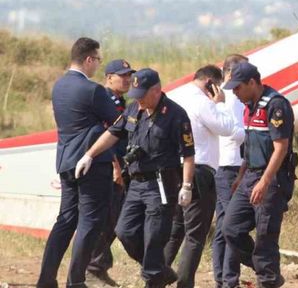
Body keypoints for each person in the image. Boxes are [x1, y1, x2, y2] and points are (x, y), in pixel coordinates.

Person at [75, 68, 196, 288]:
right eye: (135, 95)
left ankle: (153, 277)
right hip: (136, 183)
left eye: (142, 95)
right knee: (125, 231)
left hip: (161, 185)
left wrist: (186, 186)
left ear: (157, 90)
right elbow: (113, 132)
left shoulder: (176, 115)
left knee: (154, 238)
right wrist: (89, 155)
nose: (138, 100)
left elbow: (188, 155)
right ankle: (158, 269)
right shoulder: (133, 109)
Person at [37, 38, 118, 288]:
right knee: (90, 222)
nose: (97, 66)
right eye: (98, 60)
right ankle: (76, 280)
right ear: (89, 59)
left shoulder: (59, 86)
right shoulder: (93, 90)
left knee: (65, 220)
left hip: (66, 161)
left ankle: (46, 278)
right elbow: (118, 122)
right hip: (91, 163)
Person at [163, 65, 245, 288]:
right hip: (199, 171)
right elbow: (227, 128)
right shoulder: (204, 102)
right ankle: (184, 283)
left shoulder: (177, 96)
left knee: (175, 229)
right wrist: (220, 104)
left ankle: (154, 278)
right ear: (211, 82)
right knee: (194, 235)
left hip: (175, 169)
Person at [221, 62, 296, 288]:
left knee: (265, 237)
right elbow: (251, 146)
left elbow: (280, 148)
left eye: (237, 88)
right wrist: (240, 177)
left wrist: (264, 182)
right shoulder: (249, 106)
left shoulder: (275, 105)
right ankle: (268, 271)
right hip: (249, 176)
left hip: (271, 179)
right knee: (230, 229)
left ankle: (268, 280)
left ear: (252, 83)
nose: (234, 93)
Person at [87, 58, 135, 287]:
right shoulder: (107, 100)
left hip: (121, 166)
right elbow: (106, 137)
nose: (127, 79)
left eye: (129, 75)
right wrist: (116, 167)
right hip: (109, 167)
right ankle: (94, 268)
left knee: (114, 219)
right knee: (108, 219)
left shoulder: (120, 101)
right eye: (122, 75)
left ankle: (97, 267)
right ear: (109, 78)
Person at [212, 54, 250, 288]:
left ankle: (222, 277)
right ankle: (229, 279)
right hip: (232, 166)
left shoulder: (220, 97)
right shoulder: (233, 98)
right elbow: (236, 131)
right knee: (233, 226)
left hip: (222, 165)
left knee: (223, 225)